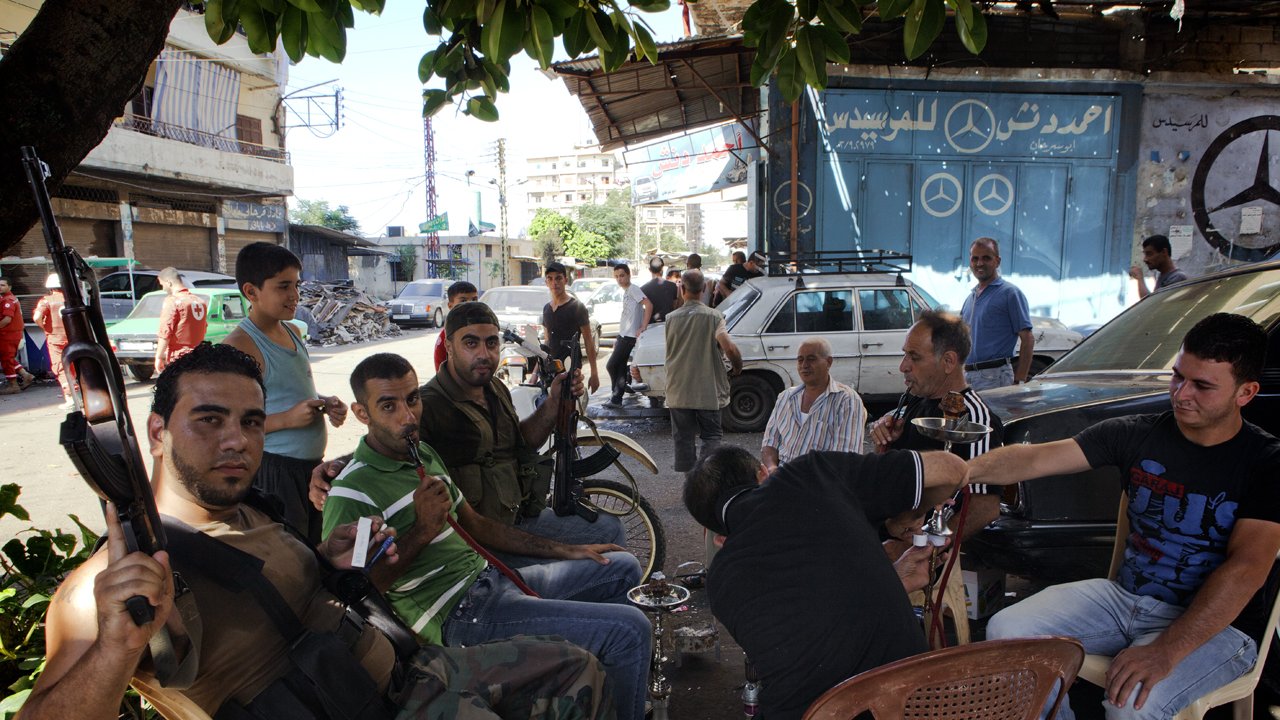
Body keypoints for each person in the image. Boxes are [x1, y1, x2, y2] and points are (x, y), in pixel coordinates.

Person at [18, 343, 616, 720]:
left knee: (577, 666)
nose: (237, 440)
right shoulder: (107, 585)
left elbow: (326, 593)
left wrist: (332, 563)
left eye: (252, 422)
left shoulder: (257, 512)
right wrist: (114, 648)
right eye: (209, 420)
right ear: (156, 433)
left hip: (410, 675)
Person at [976, 313, 1280, 720]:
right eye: (1177, 377)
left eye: (1202, 386)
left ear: (1246, 392)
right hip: (1125, 600)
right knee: (1006, 633)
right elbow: (1035, 458)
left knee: (1132, 703)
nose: (1181, 394)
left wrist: (1166, 650)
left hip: (1221, 627)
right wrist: (959, 471)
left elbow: (1247, 568)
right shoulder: (1136, 433)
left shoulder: (1267, 462)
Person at [321, 352, 651, 720]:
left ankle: (609, 691)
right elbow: (357, 594)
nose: (408, 416)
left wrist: (568, 550)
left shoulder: (424, 454)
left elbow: (475, 524)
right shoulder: (350, 494)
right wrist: (423, 530)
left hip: (492, 582)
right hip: (460, 617)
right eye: (389, 406)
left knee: (622, 566)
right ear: (361, 413)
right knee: (629, 630)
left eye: (412, 399)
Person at [309, 302, 626, 555]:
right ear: (449, 346)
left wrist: (554, 402)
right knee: (606, 546)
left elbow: (522, 443)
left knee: (610, 530)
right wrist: (337, 465)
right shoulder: (429, 403)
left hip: (519, 518)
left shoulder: (495, 389)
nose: (484, 354)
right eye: (470, 343)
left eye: (491, 343)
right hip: (483, 538)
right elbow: (391, 439)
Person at [684, 444, 969, 720]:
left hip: (813, 711)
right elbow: (950, 470)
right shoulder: (813, 472)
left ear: (712, 531)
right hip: (912, 701)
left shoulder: (720, 582)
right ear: (763, 473)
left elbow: (803, 625)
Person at [223, 242, 347, 543]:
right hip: (275, 470)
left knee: (316, 547)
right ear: (251, 292)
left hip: (311, 467)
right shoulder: (240, 346)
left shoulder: (291, 330)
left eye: (296, 285)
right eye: (283, 286)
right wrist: (288, 420)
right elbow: (231, 426)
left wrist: (325, 402)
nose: (295, 295)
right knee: (291, 553)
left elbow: (290, 388)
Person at [867, 310, 1004, 537]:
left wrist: (921, 548)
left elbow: (984, 507)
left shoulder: (975, 417)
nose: (903, 366)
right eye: (905, 355)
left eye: (915, 357)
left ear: (948, 361)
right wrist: (882, 441)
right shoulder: (913, 401)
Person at [666, 270, 742, 472]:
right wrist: (737, 366)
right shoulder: (714, 317)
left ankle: (689, 483)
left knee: (683, 439)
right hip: (707, 391)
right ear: (703, 290)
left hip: (678, 391)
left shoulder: (670, 318)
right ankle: (706, 478)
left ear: (682, 289)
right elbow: (730, 347)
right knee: (711, 436)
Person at [760, 337, 866, 473]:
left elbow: (845, 459)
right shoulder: (785, 397)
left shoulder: (846, 400)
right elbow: (769, 444)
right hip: (781, 480)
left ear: (829, 362)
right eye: (800, 360)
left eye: (811, 359)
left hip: (821, 486)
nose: (804, 365)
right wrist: (772, 468)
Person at [959, 238, 1033, 390]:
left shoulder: (1010, 293)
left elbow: (1028, 339)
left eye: (986, 258)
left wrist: (1019, 382)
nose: (979, 263)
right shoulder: (970, 298)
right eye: (975, 258)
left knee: (993, 416)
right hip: (968, 376)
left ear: (997, 261)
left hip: (995, 377)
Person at [541, 262, 599, 394]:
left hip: (571, 370)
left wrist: (594, 374)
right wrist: (534, 375)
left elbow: (589, 342)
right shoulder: (546, 309)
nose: (554, 282)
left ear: (566, 280)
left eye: (558, 278)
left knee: (569, 410)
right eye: (550, 278)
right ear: (546, 282)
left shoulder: (577, 307)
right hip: (551, 370)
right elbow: (547, 342)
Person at [604, 263, 651, 408]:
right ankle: (618, 395)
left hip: (629, 336)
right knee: (620, 365)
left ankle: (617, 393)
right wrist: (618, 336)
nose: (619, 279)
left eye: (622, 276)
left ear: (629, 275)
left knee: (612, 365)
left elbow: (648, 304)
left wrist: (643, 326)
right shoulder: (627, 291)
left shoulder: (633, 289)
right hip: (623, 335)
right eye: (617, 276)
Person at [153, 267, 208, 373]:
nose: (163, 288)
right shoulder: (200, 302)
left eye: (162, 284)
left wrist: (159, 357)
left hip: (179, 357)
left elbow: (165, 332)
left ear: (169, 283)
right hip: (199, 355)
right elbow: (204, 328)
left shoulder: (173, 301)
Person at [33, 273, 71, 408]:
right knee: (75, 365)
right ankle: (82, 396)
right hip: (73, 337)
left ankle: (70, 398)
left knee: (60, 366)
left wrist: (44, 327)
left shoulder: (46, 300)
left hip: (55, 338)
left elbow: (37, 316)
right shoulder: (71, 298)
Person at [433, 280, 478, 371]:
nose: (470, 304)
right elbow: (440, 369)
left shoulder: (481, 328)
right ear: (450, 305)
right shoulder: (445, 337)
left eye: (474, 299)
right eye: (463, 300)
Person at [0, 276, 34, 395]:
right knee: (7, 358)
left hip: (7, 334)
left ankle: (13, 385)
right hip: (12, 333)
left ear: (9, 287)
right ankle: (26, 375)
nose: (0, 287)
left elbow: (7, 319)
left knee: (6, 359)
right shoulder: (10, 298)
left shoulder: (7, 300)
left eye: (3, 285)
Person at [1129, 234, 1189, 299]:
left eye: (1149, 254)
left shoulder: (1177, 278)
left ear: (1164, 252)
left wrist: (1140, 279)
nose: (1145, 259)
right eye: (1145, 254)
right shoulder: (1162, 275)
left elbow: (1152, 304)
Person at [640, 257, 677, 323]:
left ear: (649, 270)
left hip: (650, 325)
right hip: (669, 324)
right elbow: (675, 306)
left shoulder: (643, 289)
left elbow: (640, 310)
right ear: (662, 268)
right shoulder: (673, 286)